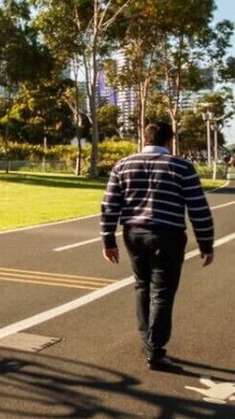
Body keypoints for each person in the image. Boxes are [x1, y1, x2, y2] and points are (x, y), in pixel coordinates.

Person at [100, 121, 215, 371]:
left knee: (142, 285)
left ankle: (147, 339)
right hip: (168, 235)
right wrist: (206, 243)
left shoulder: (123, 165)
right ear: (169, 140)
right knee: (162, 292)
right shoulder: (182, 167)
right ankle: (155, 348)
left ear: (145, 138)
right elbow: (198, 208)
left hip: (134, 234)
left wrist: (108, 240)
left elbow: (109, 205)